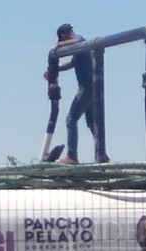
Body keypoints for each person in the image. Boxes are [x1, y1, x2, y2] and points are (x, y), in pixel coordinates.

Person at [47, 23, 110, 164]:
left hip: (87, 87)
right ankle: (102, 154)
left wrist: (59, 46)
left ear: (63, 36)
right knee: (92, 123)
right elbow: (72, 64)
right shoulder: (80, 48)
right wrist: (55, 70)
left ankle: (72, 155)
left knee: (71, 119)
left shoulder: (80, 40)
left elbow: (76, 42)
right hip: (93, 87)